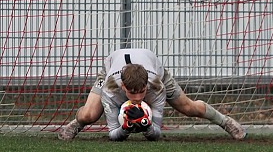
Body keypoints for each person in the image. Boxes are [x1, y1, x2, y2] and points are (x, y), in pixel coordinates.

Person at [58, 48, 247, 141]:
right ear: (123, 87)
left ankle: (226, 122)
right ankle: (76, 124)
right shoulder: (111, 88)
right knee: (89, 114)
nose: (138, 98)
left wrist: (147, 126)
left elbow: (156, 133)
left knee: (188, 107)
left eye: (141, 92)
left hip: (155, 69)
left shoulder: (156, 86)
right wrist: (125, 128)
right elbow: (113, 134)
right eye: (132, 93)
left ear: (146, 87)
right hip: (110, 68)